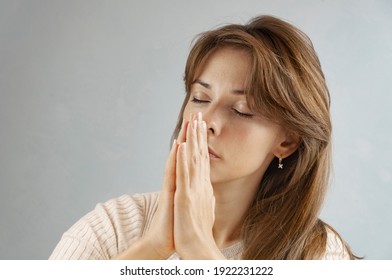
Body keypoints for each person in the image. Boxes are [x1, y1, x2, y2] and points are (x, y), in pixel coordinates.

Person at [49, 15, 357, 260]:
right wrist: (155, 247)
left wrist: (200, 251)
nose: (206, 121)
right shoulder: (113, 227)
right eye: (199, 97)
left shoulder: (316, 253)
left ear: (287, 142)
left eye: (241, 110)